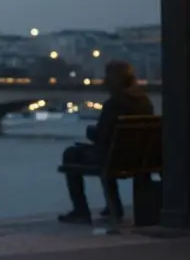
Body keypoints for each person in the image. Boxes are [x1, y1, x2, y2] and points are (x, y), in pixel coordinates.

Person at [57, 60, 155, 225]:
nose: (104, 81)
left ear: (115, 80)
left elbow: (102, 135)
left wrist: (90, 132)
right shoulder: (145, 101)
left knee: (71, 154)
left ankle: (81, 210)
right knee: (109, 152)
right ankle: (113, 207)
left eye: (107, 77)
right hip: (140, 157)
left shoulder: (114, 104)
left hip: (114, 158)